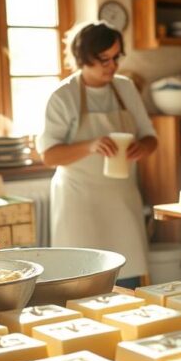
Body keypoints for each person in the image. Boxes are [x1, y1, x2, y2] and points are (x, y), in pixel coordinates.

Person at [39, 22, 157, 280]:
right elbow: (49, 155)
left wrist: (142, 147)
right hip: (79, 201)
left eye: (116, 57)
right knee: (81, 277)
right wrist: (90, 145)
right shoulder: (63, 96)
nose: (112, 66)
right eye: (103, 59)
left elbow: (151, 137)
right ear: (83, 58)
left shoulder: (125, 88)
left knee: (128, 276)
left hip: (122, 199)